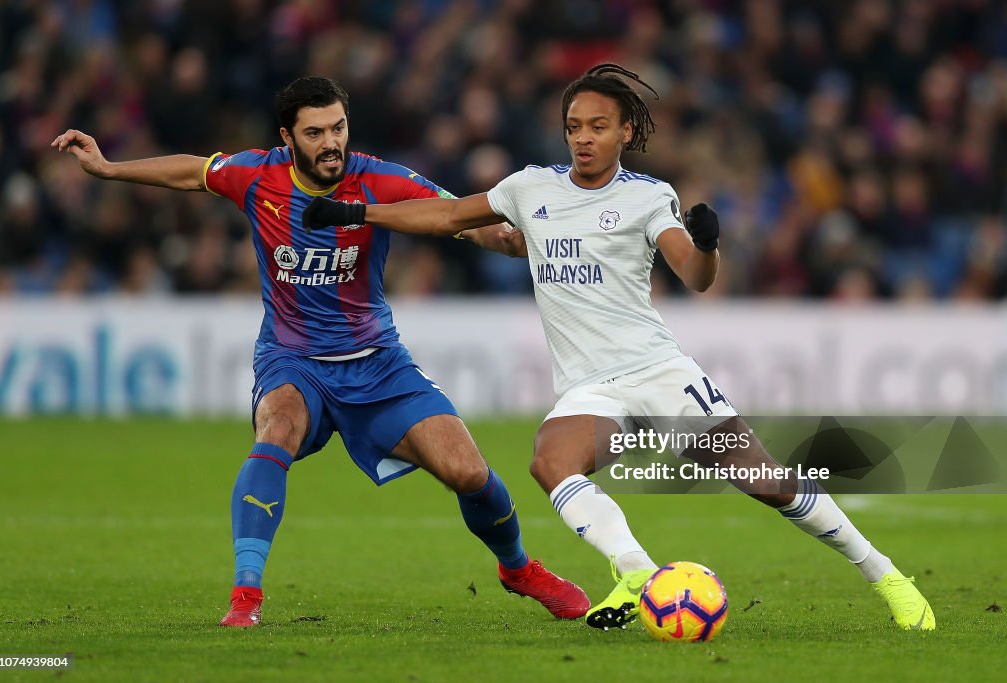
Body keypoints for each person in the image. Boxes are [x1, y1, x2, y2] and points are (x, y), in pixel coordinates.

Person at [301, 64, 936, 632]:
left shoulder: (648, 196)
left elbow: (695, 276)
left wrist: (709, 245)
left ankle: (885, 574)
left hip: (657, 370)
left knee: (766, 482)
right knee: (551, 461)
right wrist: (360, 216)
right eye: (574, 126)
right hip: (590, 385)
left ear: (625, 131)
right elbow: (445, 216)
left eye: (597, 126)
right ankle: (637, 572)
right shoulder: (530, 188)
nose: (582, 137)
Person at [52, 76, 589, 627]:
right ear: (288, 138)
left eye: (338, 127)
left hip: (377, 362)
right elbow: (192, 170)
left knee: (469, 472)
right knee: (277, 428)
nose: (331, 142)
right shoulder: (256, 175)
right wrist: (110, 168)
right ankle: (246, 599)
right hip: (292, 359)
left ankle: (518, 569)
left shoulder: (379, 178)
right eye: (315, 133)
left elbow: (451, 214)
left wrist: (503, 237)